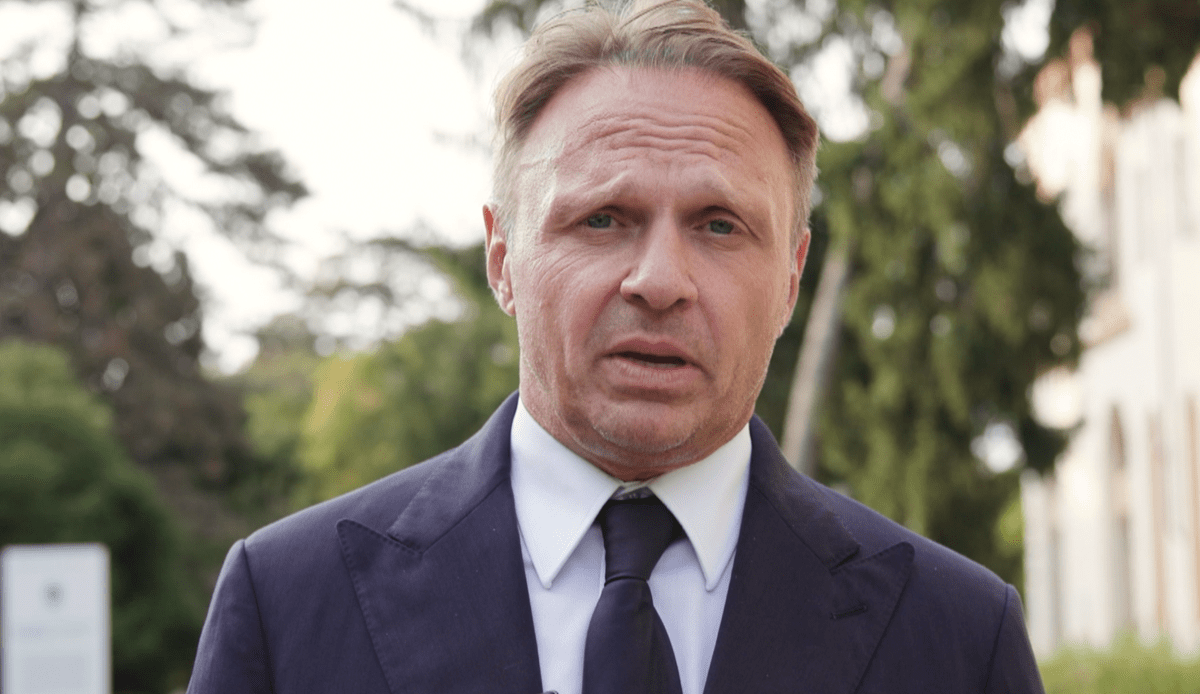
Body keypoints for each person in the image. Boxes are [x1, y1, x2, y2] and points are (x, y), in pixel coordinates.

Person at [187, 1, 1045, 692]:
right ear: (502, 259)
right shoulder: (289, 602)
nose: (660, 280)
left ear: (791, 278)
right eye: (603, 218)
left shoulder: (958, 637)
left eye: (719, 225)